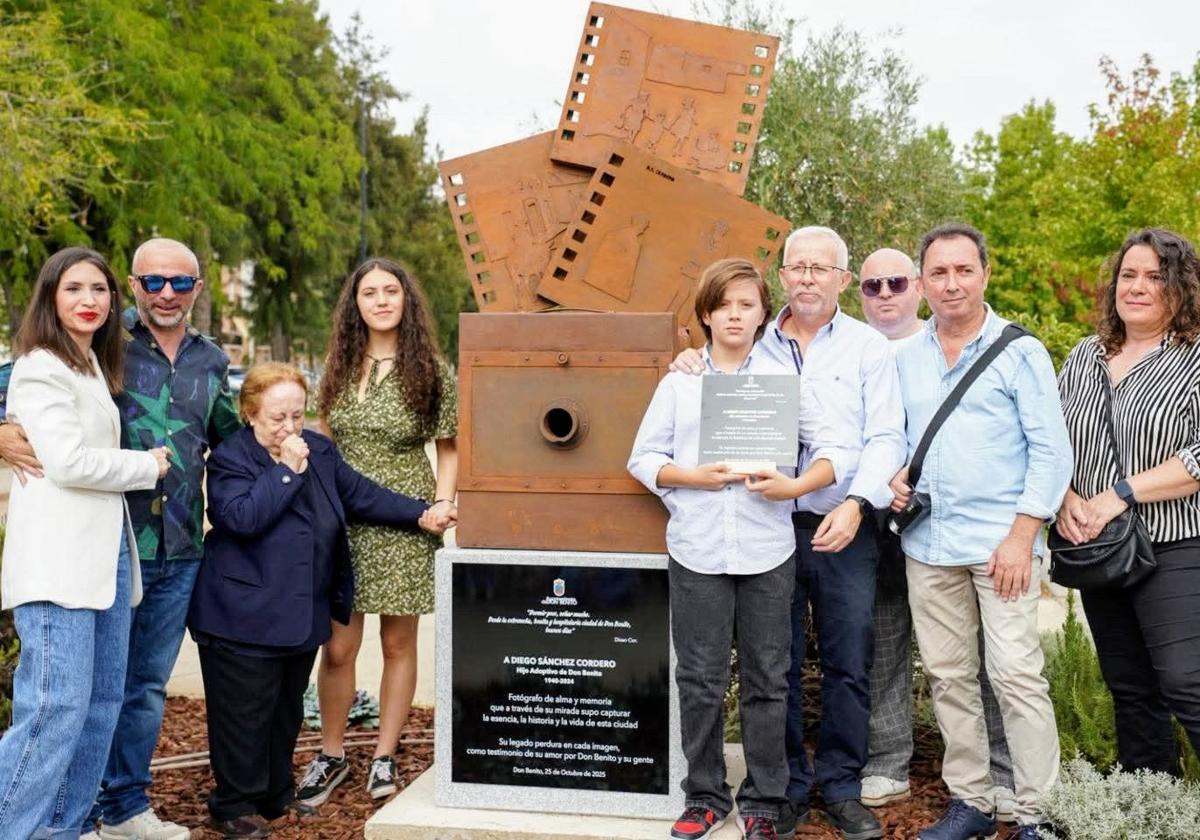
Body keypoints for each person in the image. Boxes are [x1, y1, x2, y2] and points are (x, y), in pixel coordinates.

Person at [0, 236, 241, 840]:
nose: (166, 293)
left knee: (125, 694)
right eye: (152, 281)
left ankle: (110, 812)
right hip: (85, 547)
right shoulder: (77, 348)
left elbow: (232, 437)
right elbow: (40, 418)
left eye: (180, 283)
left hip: (167, 547)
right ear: (133, 285)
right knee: (57, 705)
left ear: (197, 289)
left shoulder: (203, 359)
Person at [674, 227, 906, 840]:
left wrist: (857, 503)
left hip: (843, 520)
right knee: (772, 665)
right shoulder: (756, 344)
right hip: (764, 527)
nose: (806, 277)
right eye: (797, 266)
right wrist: (689, 357)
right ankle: (784, 789)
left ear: (842, 280)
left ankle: (840, 785)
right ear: (782, 275)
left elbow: (886, 437)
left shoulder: (867, 348)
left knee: (848, 657)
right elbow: (708, 383)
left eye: (820, 268)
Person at [188, 363, 450, 839]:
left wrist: (422, 514)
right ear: (249, 414)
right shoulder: (231, 458)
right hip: (240, 616)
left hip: (297, 613)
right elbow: (242, 519)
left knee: (284, 707)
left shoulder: (321, 452)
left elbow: (361, 495)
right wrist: (287, 470)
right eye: (277, 419)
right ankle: (232, 803)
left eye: (297, 415)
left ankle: (273, 791)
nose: (290, 428)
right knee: (243, 712)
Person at [630, 259, 841, 840]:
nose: (735, 315)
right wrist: (693, 477)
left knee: (768, 679)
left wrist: (795, 486)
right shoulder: (681, 382)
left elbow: (829, 450)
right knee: (698, 678)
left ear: (762, 314)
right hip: (696, 548)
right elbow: (642, 458)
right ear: (705, 313)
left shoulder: (782, 383)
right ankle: (704, 794)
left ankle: (765, 801)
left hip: (766, 549)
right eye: (724, 305)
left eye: (747, 305)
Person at [889, 223, 1070, 840]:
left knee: (1017, 676)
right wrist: (893, 473)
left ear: (985, 275)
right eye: (938, 273)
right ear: (922, 283)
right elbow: (895, 437)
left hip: (1003, 548)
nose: (952, 283)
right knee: (947, 675)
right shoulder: (905, 356)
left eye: (964, 270)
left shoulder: (1021, 352)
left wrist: (1023, 537)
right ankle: (971, 802)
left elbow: (1051, 453)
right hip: (929, 544)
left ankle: (1037, 813)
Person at [0, 247, 170, 840]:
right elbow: (68, 463)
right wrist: (146, 464)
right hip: (59, 563)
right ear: (51, 297)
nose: (89, 301)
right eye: (74, 289)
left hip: (107, 560)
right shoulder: (40, 364)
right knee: (53, 711)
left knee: (99, 709)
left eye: (99, 290)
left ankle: (62, 831)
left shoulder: (91, 363)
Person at [855, 248, 1015, 820]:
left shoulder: (943, 348)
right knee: (885, 642)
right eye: (873, 285)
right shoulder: (856, 349)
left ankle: (1001, 772)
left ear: (917, 288)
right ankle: (888, 761)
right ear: (860, 294)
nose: (886, 293)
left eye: (897, 281)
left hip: (950, 526)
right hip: (876, 521)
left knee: (981, 654)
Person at [297, 258, 458, 805]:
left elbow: (449, 444)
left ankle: (385, 756)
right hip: (342, 518)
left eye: (392, 291)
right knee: (338, 646)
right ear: (355, 304)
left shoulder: (431, 369)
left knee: (397, 641)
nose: (382, 300)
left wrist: (442, 502)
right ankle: (331, 752)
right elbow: (322, 435)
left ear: (406, 300)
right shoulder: (337, 365)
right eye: (370, 292)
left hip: (406, 518)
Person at [1056, 228, 1200, 774]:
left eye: (1155, 278)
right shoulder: (1084, 356)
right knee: (1130, 689)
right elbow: (1050, 442)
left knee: (1187, 683)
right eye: (1128, 275)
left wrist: (1121, 494)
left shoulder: (1194, 357)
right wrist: (1066, 497)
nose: (1137, 287)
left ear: (1180, 288)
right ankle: (1150, 803)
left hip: (1177, 544)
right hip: (1098, 549)